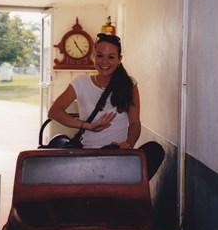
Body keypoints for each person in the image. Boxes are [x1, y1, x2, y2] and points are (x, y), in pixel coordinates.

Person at [48, 33, 165, 179]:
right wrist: (86, 125)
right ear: (94, 56)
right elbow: (54, 112)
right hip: (88, 156)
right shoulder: (80, 83)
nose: (105, 62)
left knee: (155, 149)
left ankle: (127, 191)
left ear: (119, 60)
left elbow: (135, 123)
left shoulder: (129, 84)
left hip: (118, 156)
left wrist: (128, 143)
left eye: (111, 57)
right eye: (100, 55)